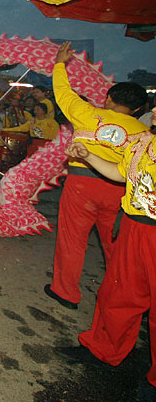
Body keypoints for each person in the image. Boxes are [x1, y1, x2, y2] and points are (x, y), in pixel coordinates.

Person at [55, 105, 156, 400]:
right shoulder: (143, 142)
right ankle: (104, 350)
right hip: (135, 227)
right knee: (119, 294)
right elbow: (119, 173)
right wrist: (89, 157)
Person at [44, 41, 148, 310]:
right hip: (119, 190)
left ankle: (65, 292)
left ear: (108, 99)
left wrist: (59, 63)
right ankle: (117, 297)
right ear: (138, 109)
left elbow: (63, 92)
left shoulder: (86, 113)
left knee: (72, 240)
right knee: (115, 246)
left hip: (81, 184)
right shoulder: (143, 134)